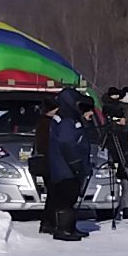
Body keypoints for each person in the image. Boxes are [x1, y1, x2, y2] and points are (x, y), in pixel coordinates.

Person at [45, 92, 93, 242]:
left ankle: (66, 226)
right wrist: (76, 163)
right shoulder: (67, 119)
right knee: (67, 197)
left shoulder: (66, 116)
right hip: (66, 167)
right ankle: (64, 229)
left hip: (63, 165)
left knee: (65, 196)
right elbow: (67, 142)